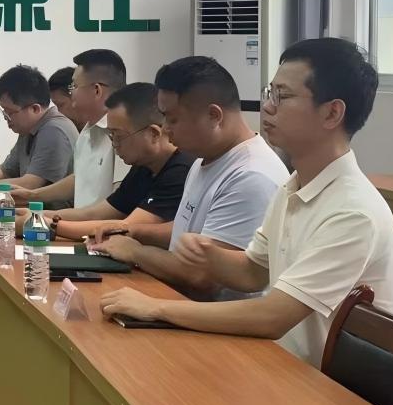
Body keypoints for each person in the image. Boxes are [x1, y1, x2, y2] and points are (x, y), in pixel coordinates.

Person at [102, 39, 393, 365]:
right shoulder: (294, 187)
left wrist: (156, 307)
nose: (268, 107)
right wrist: (210, 255)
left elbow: (273, 317)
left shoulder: (353, 211)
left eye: (282, 96)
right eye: (269, 92)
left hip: (325, 386)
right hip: (279, 362)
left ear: (332, 113)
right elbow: (252, 272)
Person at [88, 56, 286, 292]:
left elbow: (204, 276)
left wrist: (136, 252)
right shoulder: (203, 159)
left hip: (212, 313)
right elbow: (190, 230)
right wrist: (134, 231)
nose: (166, 129)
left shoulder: (251, 176)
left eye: (172, 119)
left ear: (214, 116)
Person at [41, 82, 195, 243]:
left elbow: (125, 228)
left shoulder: (181, 170)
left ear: (154, 134)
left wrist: (49, 225)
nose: (114, 145)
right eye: (111, 136)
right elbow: (96, 214)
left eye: (119, 136)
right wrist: (37, 215)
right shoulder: (144, 167)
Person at [13, 49, 126, 208]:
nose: (71, 93)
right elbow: (79, 179)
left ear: (97, 90)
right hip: (78, 222)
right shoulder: (86, 132)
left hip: (98, 223)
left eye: (74, 86)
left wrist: (50, 217)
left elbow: (117, 207)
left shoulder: (125, 133)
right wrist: (32, 195)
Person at [0, 64, 77, 190]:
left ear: (35, 109)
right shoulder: (28, 130)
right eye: (3, 111)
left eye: (10, 112)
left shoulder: (54, 130)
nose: (6, 118)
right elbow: (6, 170)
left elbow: (30, 184)